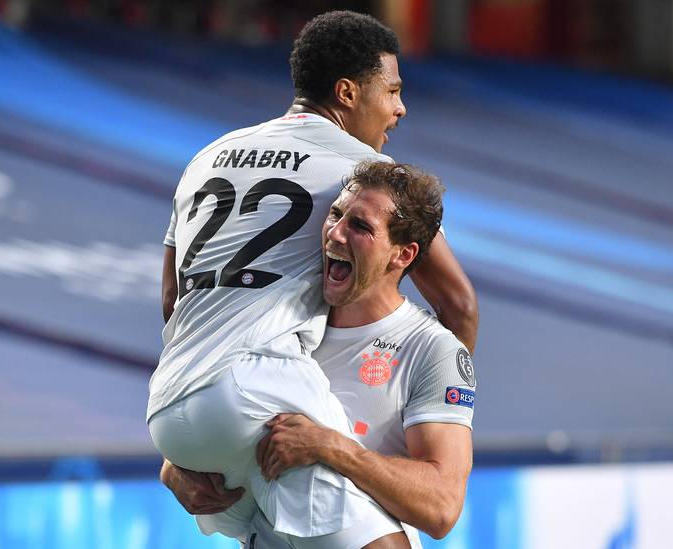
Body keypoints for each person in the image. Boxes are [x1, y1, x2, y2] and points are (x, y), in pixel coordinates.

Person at [147, 10, 477, 549]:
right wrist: (443, 409)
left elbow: (172, 299)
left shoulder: (208, 157)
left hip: (170, 405)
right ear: (347, 93)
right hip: (260, 392)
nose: (400, 108)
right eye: (392, 91)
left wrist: (196, 418)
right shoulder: (364, 174)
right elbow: (459, 304)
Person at [167, 161, 475, 549]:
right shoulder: (279, 317)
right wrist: (176, 466)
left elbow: (442, 507)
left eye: (360, 226)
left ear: (402, 255)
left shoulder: (431, 350)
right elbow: (216, 399)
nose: (335, 232)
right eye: (335, 214)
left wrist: (331, 447)